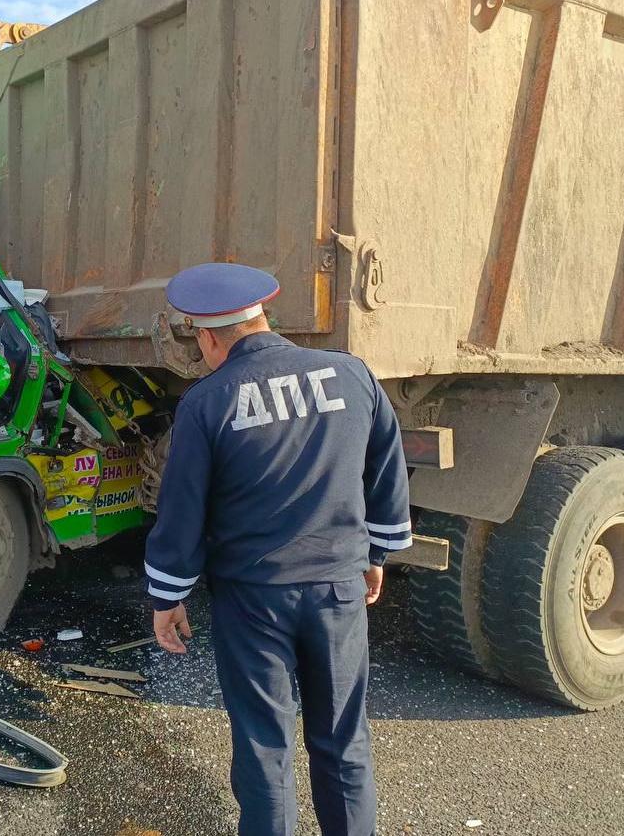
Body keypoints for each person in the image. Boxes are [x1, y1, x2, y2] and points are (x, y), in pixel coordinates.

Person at [144, 263, 410, 836]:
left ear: (208, 337)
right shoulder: (351, 374)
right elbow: (387, 470)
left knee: (264, 746)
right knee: (343, 741)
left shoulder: (207, 402)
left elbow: (182, 509)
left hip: (253, 599)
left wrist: (168, 596)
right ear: (262, 317)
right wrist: (375, 556)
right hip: (338, 589)